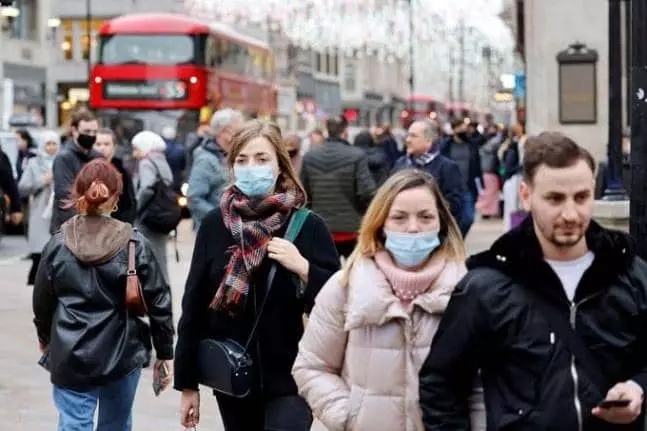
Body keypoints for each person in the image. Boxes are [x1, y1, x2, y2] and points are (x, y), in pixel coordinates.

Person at [419, 132, 647, 430]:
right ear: (526, 196)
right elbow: (441, 384)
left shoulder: (628, 271)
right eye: (554, 198)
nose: (570, 213)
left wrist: (638, 387)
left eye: (581, 197)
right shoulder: (487, 285)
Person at [174, 120, 340, 431]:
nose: (252, 167)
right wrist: (188, 385)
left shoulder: (308, 225)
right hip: (234, 377)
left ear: (280, 165)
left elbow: (339, 299)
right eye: (242, 160)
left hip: (292, 376)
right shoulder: (214, 224)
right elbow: (194, 307)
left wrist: (304, 268)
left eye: (262, 159)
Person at [293, 169, 484, 431]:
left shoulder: (470, 293)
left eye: (425, 217)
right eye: (399, 217)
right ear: (381, 224)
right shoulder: (346, 287)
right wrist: (349, 416)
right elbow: (312, 365)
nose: (413, 227)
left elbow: (484, 385)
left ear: (441, 223)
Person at [32, 158, 174, 431]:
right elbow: (159, 301)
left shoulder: (58, 243)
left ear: (78, 194)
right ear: (116, 197)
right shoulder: (134, 242)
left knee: (74, 424)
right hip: (122, 352)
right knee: (116, 425)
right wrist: (165, 351)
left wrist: (45, 338)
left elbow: (42, 303)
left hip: (70, 351)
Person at [300, 115, 376, 258]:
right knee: (354, 274)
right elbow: (367, 192)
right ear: (345, 131)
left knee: (325, 275)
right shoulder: (356, 156)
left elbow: (303, 193)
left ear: (327, 130)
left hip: (320, 228)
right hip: (351, 228)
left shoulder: (310, 156)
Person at [392, 120, 464, 228]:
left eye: (413, 136)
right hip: (402, 231)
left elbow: (454, 206)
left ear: (428, 141)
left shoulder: (447, 167)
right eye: (408, 136)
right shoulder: (400, 164)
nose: (407, 140)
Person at [187, 108, 244, 230]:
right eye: (239, 131)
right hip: (216, 230)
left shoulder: (232, 154)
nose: (242, 136)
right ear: (224, 132)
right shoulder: (205, 159)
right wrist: (222, 218)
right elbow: (194, 198)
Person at [131, 130, 173, 281]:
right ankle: (165, 288)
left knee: (145, 256)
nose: (133, 153)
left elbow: (146, 187)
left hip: (148, 217)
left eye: (136, 148)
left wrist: (136, 206)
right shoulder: (161, 160)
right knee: (161, 256)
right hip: (162, 215)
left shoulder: (146, 162)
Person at [50, 110, 101, 234]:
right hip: (69, 227)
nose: (91, 135)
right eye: (87, 131)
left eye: (94, 132)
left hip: (94, 224)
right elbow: (65, 194)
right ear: (74, 130)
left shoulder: (98, 157)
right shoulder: (64, 157)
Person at [18, 130, 59, 285]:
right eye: (48, 144)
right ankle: (35, 284)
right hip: (40, 211)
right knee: (39, 253)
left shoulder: (63, 161)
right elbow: (22, 187)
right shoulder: (33, 163)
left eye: (54, 144)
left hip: (58, 210)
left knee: (56, 250)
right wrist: (43, 181)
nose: (51, 147)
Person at [439, 119, 483, 237]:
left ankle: (458, 239)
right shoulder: (445, 146)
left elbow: (477, 166)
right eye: (461, 128)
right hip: (450, 190)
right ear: (454, 130)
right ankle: (454, 243)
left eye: (465, 129)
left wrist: (481, 185)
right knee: (452, 219)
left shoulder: (472, 145)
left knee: (468, 218)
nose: (464, 131)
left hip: (467, 188)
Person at [93, 129, 136, 224]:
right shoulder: (85, 170)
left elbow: (129, 204)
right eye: (98, 144)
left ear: (114, 147)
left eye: (106, 144)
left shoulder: (122, 173)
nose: (102, 148)